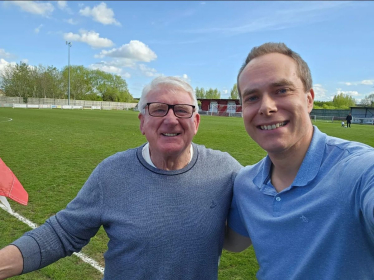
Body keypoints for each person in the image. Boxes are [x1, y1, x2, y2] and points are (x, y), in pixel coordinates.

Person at [0, 76, 242, 280]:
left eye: (182, 110)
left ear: (196, 121)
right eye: (158, 109)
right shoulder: (112, 172)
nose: (171, 119)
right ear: (142, 122)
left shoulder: (225, 170)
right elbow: (62, 234)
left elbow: (269, 204)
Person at [225, 43, 374, 279]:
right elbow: (233, 242)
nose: (267, 107)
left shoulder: (359, 170)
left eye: (282, 90)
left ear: (309, 99)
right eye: (252, 97)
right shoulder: (247, 184)